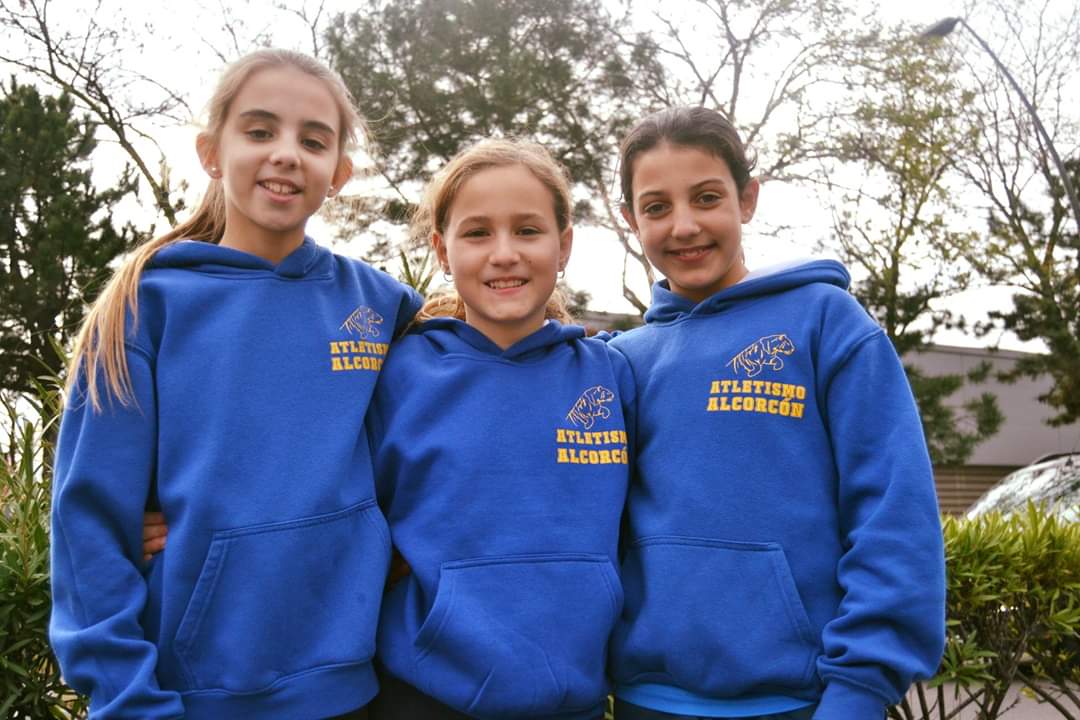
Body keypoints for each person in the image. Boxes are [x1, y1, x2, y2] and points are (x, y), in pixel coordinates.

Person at [49, 49, 420, 719]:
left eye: (313, 141)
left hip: (353, 688)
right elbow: (89, 529)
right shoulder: (142, 307)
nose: (286, 154)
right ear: (211, 152)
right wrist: (128, 700)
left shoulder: (383, 306)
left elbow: (470, 398)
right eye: (259, 130)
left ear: (339, 174)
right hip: (194, 696)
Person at [606, 106, 946, 720]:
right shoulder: (622, 362)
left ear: (747, 199)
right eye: (656, 207)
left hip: (806, 702)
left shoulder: (826, 323)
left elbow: (893, 511)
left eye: (706, 197)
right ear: (631, 220)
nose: (684, 225)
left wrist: (861, 689)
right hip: (646, 700)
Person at [366, 139, 635, 720]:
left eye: (528, 231)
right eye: (478, 233)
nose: (505, 253)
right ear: (442, 250)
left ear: (564, 245)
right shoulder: (396, 375)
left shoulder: (612, 376)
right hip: (424, 698)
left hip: (574, 703)